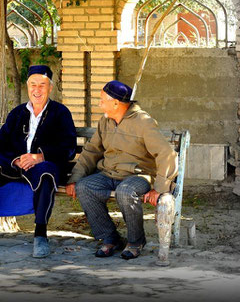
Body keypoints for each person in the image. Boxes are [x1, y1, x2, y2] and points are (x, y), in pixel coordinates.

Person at [0, 65, 76, 258]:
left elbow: (69, 147)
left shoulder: (60, 113)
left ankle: (40, 235)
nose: (37, 90)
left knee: (47, 172)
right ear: (27, 86)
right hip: (14, 165)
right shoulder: (17, 113)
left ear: (50, 88)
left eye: (42, 85)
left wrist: (40, 156)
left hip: (41, 165)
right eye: (33, 85)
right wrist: (15, 160)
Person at [65, 80, 178, 260]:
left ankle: (135, 241)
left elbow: (166, 154)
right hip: (109, 173)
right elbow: (91, 151)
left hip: (138, 175)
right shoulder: (105, 121)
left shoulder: (144, 122)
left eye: (102, 100)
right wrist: (74, 179)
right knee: (84, 187)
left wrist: (160, 188)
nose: (99, 104)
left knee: (125, 192)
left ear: (116, 103)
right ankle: (110, 238)